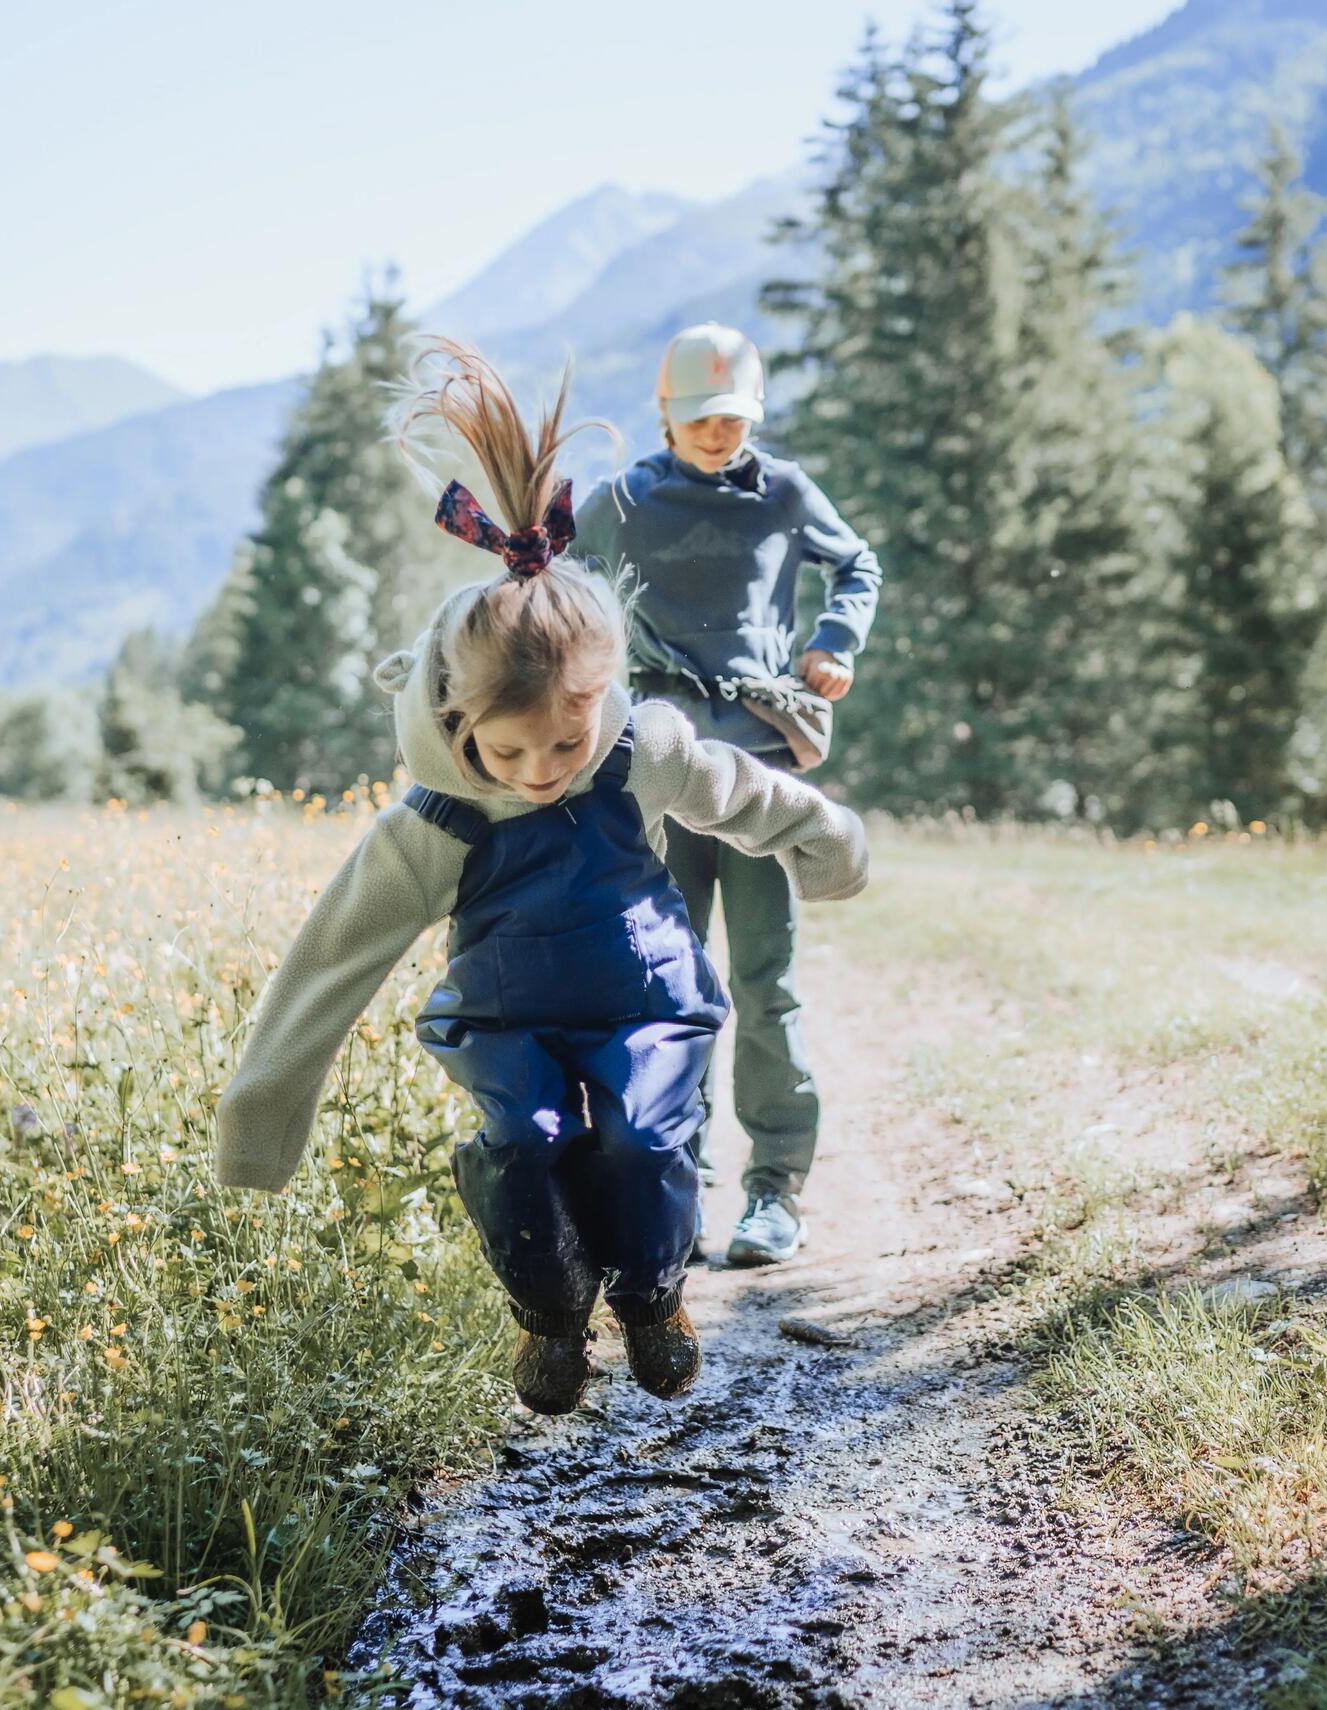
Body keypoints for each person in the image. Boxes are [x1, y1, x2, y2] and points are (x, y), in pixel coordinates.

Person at [214, 340, 869, 1416]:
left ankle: (653, 1298)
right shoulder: (439, 818)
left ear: (598, 699)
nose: (535, 776)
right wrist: (261, 1113)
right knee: (520, 1145)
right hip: (507, 1019)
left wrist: (827, 841)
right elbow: (334, 959)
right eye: (505, 755)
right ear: (455, 722)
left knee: (644, 1139)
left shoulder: (641, 749)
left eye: (559, 751)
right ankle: (555, 1317)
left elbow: (748, 793)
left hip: (643, 1000)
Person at [574, 323, 883, 1267]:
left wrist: (834, 641)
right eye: (701, 417)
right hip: (659, 780)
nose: (718, 433)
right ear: (665, 411)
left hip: (763, 783)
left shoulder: (783, 492)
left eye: (734, 417)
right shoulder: (619, 502)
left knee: (765, 985)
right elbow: (559, 593)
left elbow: (857, 564)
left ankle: (774, 1192)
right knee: (669, 988)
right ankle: (680, 1187)